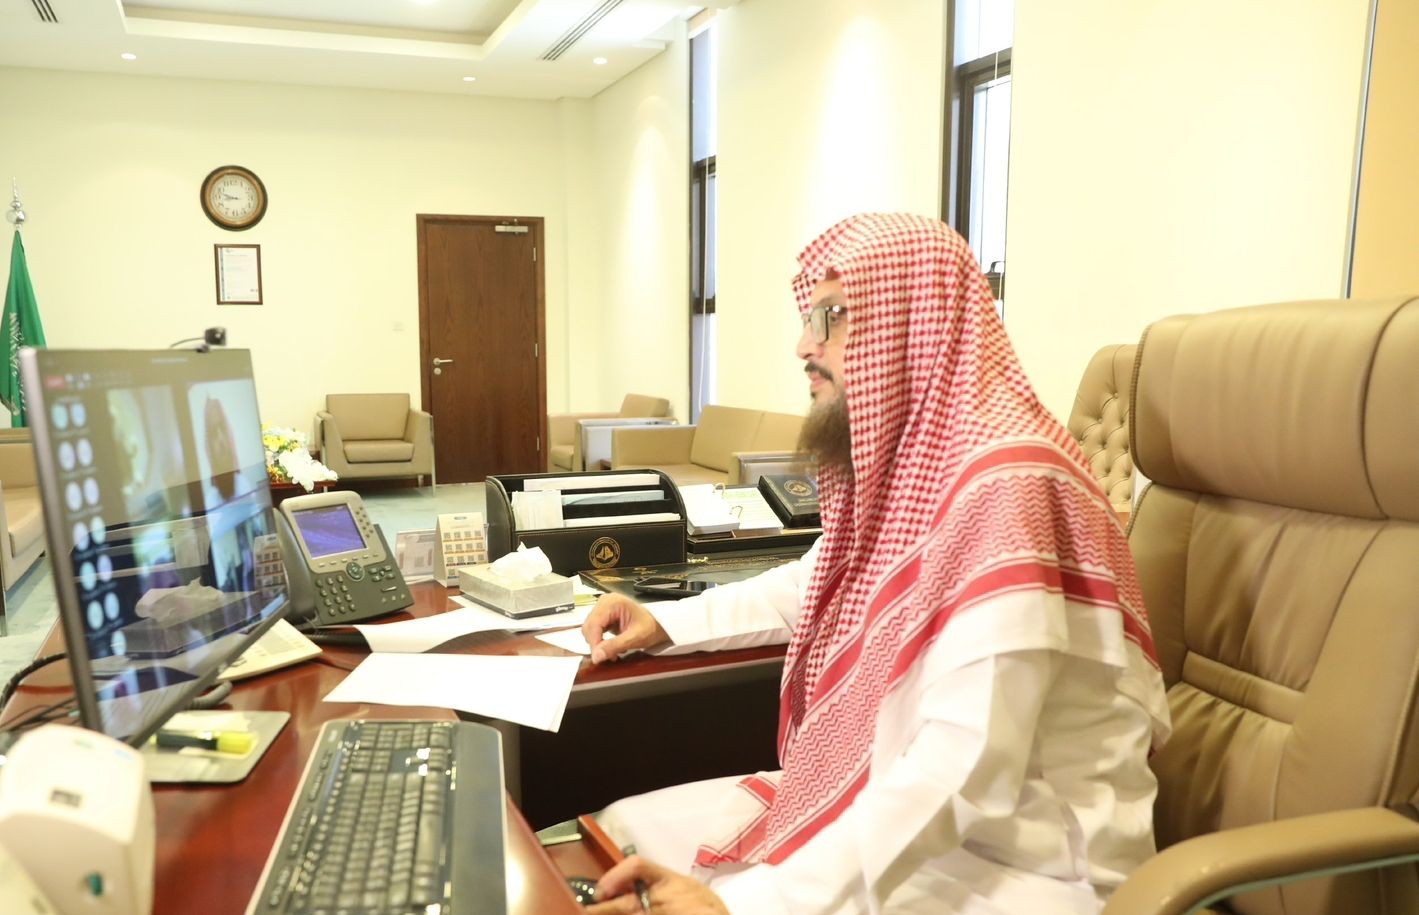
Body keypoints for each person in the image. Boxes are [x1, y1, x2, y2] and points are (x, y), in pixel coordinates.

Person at [579, 213, 1171, 915]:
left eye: (830, 318)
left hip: (1030, 870)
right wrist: (666, 622)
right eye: (809, 318)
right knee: (624, 831)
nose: (804, 346)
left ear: (912, 324)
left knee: (687, 891)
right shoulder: (927, 465)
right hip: (927, 832)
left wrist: (746, 907)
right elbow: (817, 584)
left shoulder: (1008, 481)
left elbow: (963, 764)